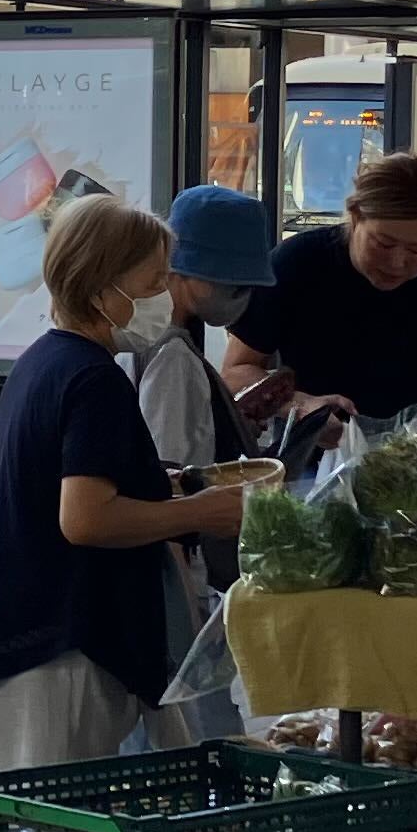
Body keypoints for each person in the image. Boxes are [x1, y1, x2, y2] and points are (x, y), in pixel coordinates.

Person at [0, 197, 255, 772]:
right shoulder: (93, 379)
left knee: (15, 809)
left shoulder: (44, 360)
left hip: (9, 633)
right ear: (101, 290)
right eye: (152, 281)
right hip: (53, 648)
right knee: (52, 815)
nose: (165, 296)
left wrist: (162, 484)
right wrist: (201, 513)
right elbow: (86, 518)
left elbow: (63, 481)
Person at [134, 184, 289, 739]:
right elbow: (169, 480)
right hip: (181, 575)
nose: (239, 298)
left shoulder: (165, 347)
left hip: (178, 576)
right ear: (178, 272)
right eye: (229, 283)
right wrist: (187, 607)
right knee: (203, 732)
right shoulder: (173, 358)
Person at [222, 151, 417, 427]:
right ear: (355, 216)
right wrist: (300, 406)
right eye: (383, 243)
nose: (397, 263)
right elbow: (235, 374)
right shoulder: (297, 264)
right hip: (310, 455)